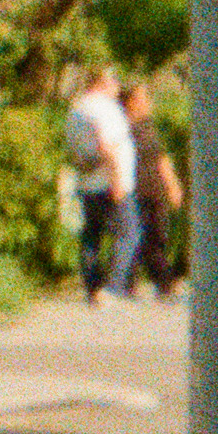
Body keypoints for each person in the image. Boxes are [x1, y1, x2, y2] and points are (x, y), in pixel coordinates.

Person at [64, 62, 138, 302]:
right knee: (128, 233)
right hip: (109, 182)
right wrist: (117, 179)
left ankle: (92, 286)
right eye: (115, 81)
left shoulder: (76, 109)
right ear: (104, 82)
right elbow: (108, 146)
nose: (118, 88)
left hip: (87, 182)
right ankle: (112, 287)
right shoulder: (104, 108)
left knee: (91, 235)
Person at [129, 81, 185, 295]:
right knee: (137, 236)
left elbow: (162, 157)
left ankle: (162, 281)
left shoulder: (149, 127)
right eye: (143, 98)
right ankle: (156, 281)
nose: (147, 103)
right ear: (132, 102)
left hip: (155, 189)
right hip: (135, 189)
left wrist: (173, 185)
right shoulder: (123, 126)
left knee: (157, 236)